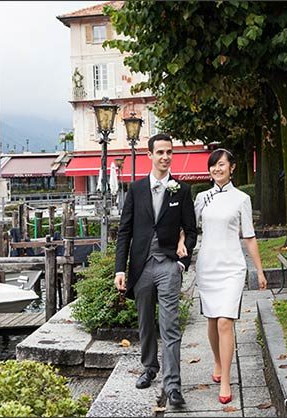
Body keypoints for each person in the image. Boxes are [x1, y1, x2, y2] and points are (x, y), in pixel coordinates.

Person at [178, 148, 267, 405]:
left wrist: (259, 271)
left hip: (232, 268)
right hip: (207, 265)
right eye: (213, 165)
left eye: (221, 165)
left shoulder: (241, 199)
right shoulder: (202, 197)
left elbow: (249, 236)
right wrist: (181, 241)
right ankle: (217, 360)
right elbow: (189, 226)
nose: (217, 169)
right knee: (212, 319)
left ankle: (227, 378)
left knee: (225, 321)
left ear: (232, 167)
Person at [114, 133, 197, 407]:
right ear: (149, 155)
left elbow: (192, 230)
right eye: (160, 152)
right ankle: (149, 367)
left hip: (168, 266)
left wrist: (181, 263)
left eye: (169, 152)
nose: (165, 157)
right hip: (141, 266)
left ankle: (173, 386)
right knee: (145, 322)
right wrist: (119, 269)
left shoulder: (182, 190)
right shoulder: (136, 190)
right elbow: (124, 231)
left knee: (170, 325)